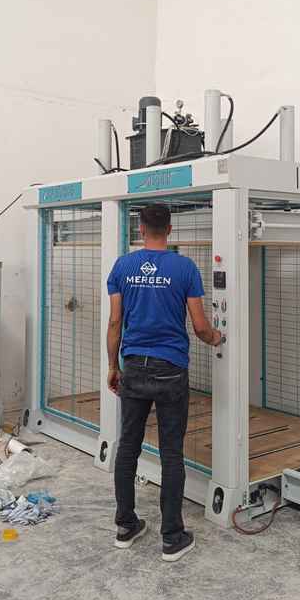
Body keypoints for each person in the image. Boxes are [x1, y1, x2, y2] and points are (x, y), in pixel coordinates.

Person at [107, 203, 222, 562]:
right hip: (170, 368)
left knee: (128, 446)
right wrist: (217, 338)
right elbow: (200, 326)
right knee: (171, 452)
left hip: (133, 365)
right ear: (170, 230)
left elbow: (115, 323)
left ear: (140, 230)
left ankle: (126, 526)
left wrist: (113, 366)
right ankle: (172, 537)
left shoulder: (122, 266)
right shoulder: (184, 268)